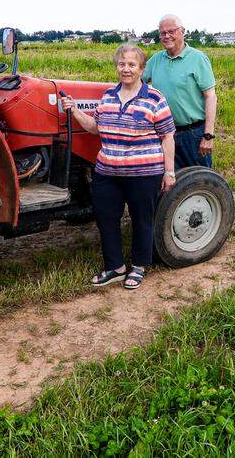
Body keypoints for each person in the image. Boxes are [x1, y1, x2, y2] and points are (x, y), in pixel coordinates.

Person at [62, 43, 176, 291]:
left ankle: (138, 266)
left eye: (132, 64)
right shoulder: (108, 96)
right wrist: (74, 112)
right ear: (116, 67)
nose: (126, 69)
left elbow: (167, 136)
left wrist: (169, 172)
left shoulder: (155, 98)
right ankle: (115, 267)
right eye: (122, 64)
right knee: (106, 218)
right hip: (107, 171)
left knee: (141, 219)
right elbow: (95, 128)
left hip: (144, 173)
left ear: (141, 68)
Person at [144, 14, 218, 169]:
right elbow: (136, 82)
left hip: (193, 134)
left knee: (199, 180)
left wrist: (208, 135)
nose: (167, 36)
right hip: (165, 134)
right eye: (163, 33)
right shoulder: (156, 60)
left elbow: (210, 96)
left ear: (183, 31)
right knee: (169, 183)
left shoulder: (197, 58)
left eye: (171, 31)